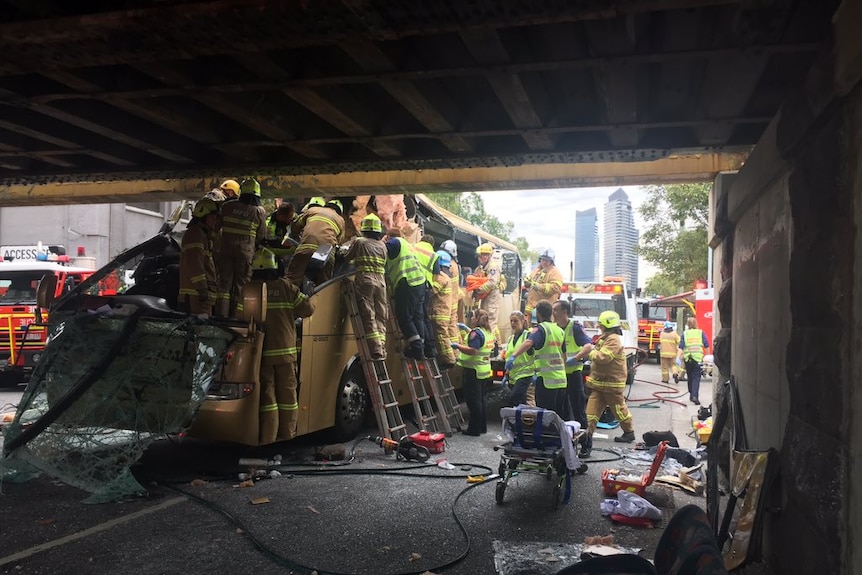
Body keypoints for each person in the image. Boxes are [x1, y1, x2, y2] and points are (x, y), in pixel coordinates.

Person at [249, 247, 315, 443]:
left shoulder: (250, 289)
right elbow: (309, 309)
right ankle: (287, 435)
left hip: (263, 353)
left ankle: (268, 437)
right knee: (287, 395)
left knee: (268, 398)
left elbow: (241, 316)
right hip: (286, 352)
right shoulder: (287, 287)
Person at [215, 177, 267, 317]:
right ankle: (237, 317)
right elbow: (261, 235)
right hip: (245, 254)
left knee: (224, 285)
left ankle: (222, 316)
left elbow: (215, 227)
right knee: (241, 287)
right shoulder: (258, 211)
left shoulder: (227, 206)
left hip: (225, 251)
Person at [506, 300, 567, 413]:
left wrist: (513, 356)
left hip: (546, 381)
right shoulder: (559, 330)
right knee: (557, 415)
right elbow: (564, 357)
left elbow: (529, 342)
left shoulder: (540, 329)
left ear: (538, 314)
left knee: (545, 415)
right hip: (561, 380)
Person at [343, 213, 389, 359]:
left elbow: (347, 257)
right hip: (381, 284)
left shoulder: (360, 242)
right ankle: (381, 345)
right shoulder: (383, 246)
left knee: (368, 315)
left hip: (365, 281)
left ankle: (375, 349)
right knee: (381, 315)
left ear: (365, 230)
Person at [586, 310, 636, 443]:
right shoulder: (606, 338)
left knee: (619, 409)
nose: (599, 327)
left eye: (601, 324)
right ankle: (587, 436)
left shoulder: (613, 340)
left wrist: (590, 352)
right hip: (600, 383)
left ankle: (629, 432)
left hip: (611, 384)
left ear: (606, 325)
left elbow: (604, 357)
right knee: (591, 412)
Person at [553, 300, 594, 457]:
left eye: (556, 310)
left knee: (578, 411)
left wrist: (576, 358)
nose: (553, 313)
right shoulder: (554, 328)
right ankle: (565, 444)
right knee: (561, 412)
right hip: (559, 375)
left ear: (565, 312)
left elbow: (588, 346)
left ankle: (586, 445)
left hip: (573, 375)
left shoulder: (574, 328)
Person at [384, 228, 427, 360]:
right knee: (417, 317)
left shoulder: (395, 242)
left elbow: (379, 250)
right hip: (420, 283)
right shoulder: (408, 245)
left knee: (404, 317)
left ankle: (417, 347)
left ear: (390, 236)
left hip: (408, 282)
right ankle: (420, 346)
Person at [452, 308, 494, 436]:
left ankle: (474, 429)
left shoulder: (476, 333)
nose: (470, 318)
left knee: (473, 401)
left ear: (476, 318)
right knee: (481, 400)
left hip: (473, 371)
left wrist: (457, 346)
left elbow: (473, 350)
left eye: (472, 316)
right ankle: (482, 427)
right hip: (483, 371)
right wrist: (466, 329)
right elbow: (479, 342)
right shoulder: (487, 332)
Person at [286, 198, 345, 287]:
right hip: (326, 252)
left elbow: (296, 226)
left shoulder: (313, 210)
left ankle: (289, 297)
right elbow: (339, 241)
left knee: (293, 279)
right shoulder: (341, 220)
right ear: (339, 211)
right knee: (323, 286)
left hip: (306, 248)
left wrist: (296, 234)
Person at [177, 197, 220, 316]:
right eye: (213, 217)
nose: (215, 221)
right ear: (203, 215)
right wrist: (202, 289)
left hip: (199, 298)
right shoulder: (195, 234)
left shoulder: (202, 235)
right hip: (195, 298)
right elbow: (194, 263)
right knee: (199, 332)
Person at [412, 234, 440, 359]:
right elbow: (436, 276)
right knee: (424, 317)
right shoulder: (434, 255)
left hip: (412, 283)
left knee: (414, 316)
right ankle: (430, 347)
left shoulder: (413, 246)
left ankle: (419, 344)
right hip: (425, 287)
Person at [429, 249, 457, 368]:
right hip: (443, 312)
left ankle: (449, 360)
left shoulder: (441, 277)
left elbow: (432, 291)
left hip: (439, 312)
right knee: (441, 336)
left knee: (441, 336)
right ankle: (449, 358)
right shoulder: (447, 277)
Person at [472, 242, 503, 343]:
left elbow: (492, 282)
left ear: (490, 255)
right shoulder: (481, 267)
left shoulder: (493, 267)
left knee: (490, 322)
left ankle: (492, 347)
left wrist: (479, 289)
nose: (484, 257)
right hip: (485, 297)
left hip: (492, 298)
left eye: (486, 254)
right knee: (485, 321)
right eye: (482, 255)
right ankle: (494, 343)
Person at [503, 310, 535, 407]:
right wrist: (506, 374)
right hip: (513, 377)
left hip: (525, 375)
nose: (513, 323)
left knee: (514, 400)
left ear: (522, 321)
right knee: (520, 404)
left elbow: (536, 355)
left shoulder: (528, 336)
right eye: (511, 321)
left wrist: (537, 372)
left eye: (516, 321)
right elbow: (508, 357)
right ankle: (520, 421)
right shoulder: (510, 339)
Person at [524, 249, 563, 319]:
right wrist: (527, 283)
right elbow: (531, 281)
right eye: (543, 260)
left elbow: (556, 287)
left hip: (545, 312)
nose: (544, 262)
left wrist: (539, 287)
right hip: (532, 310)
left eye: (547, 260)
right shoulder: (537, 270)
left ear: (551, 262)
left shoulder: (555, 272)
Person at [440, 239, 463, 352]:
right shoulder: (454, 264)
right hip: (453, 299)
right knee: (453, 326)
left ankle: (455, 352)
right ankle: (458, 350)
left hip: (449, 299)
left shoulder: (449, 264)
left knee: (450, 327)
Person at [680, 317, 710, 405]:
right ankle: (695, 396)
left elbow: (681, 347)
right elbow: (706, 345)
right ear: (696, 324)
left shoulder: (685, 334)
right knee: (696, 378)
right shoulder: (701, 333)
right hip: (697, 359)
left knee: (690, 376)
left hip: (688, 359)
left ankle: (691, 394)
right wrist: (706, 357)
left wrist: (678, 358)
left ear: (687, 325)